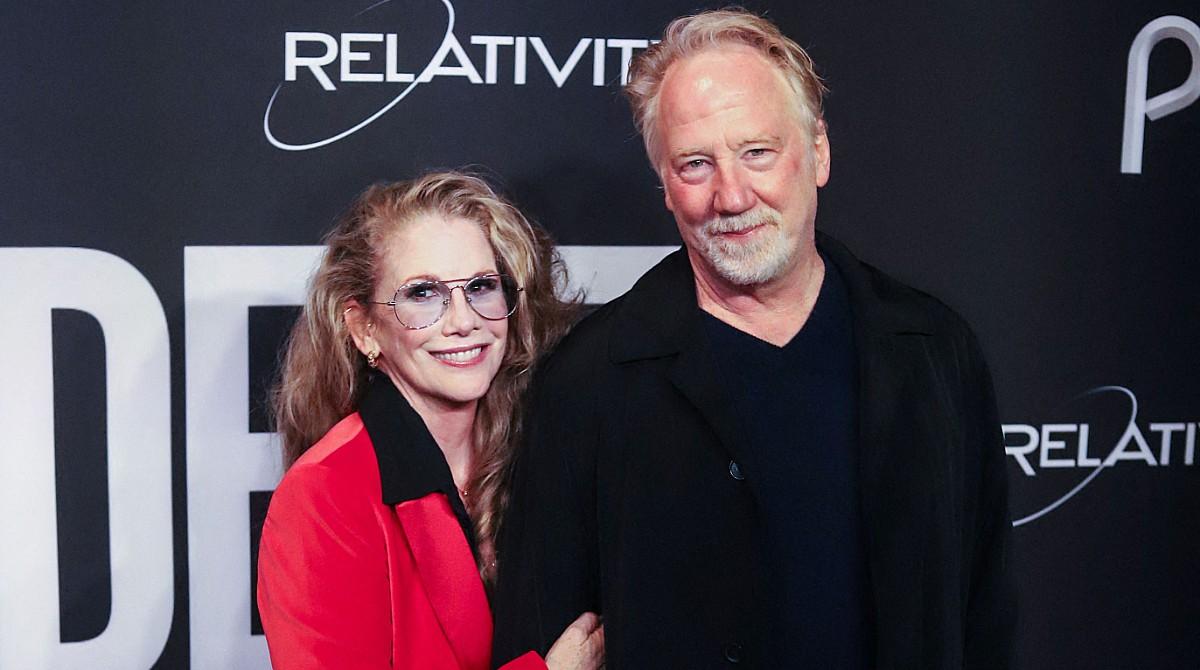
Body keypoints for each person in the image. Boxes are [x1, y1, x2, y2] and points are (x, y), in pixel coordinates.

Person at [492, 9, 1015, 669]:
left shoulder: (934, 352)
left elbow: (986, 612)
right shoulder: (587, 382)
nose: (732, 195)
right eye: (695, 164)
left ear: (817, 153)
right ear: (666, 187)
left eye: (757, 152)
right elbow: (541, 637)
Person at [256, 171, 604, 670]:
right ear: (363, 328)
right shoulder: (325, 496)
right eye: (423, 294)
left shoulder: (546, 449)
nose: (463, 320)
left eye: (481, 286)